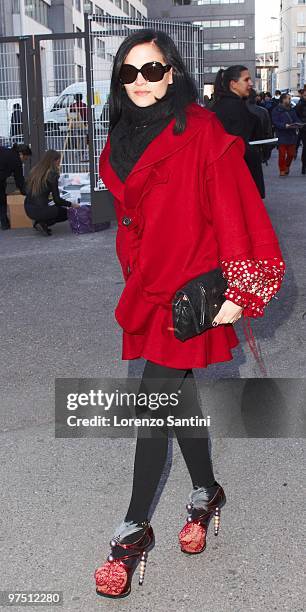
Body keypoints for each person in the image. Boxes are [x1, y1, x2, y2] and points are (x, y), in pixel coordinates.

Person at [94, 30, 286, 599]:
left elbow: (236, 209)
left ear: (173, 73)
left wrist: (240, 290)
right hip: (147, 287)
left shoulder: (202, 132)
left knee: (153, 401)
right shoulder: (120, 135)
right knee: (176, 400)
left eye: (152, 71)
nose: (142, 83)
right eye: (129, 73)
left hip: (190, 291)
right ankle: (207, 493)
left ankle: (131, 533)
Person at [212, 65, 266, 198]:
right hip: (238, 175)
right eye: (246, 80)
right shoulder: (236, 108)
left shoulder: (219, 105)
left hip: (223, 175)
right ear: (233, 84)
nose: (251, 83)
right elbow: (238, 146)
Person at [24, 149, 79, 236]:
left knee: (50, 206)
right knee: (65, 213)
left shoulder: (35, 171)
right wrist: (71, 205)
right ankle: (43, 222)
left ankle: (40, 222)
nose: (59, 163)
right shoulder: (52, 174)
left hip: (28, 208)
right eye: (58, 161)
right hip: (41, 210)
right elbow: (57, 200)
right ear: (54, 161)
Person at [0, 143, 31, 230]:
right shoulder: (16, 160)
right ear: (21, 154)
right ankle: (4, 223)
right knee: (2, 202)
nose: (25, 160)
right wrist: (27, 193)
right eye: (25, 158)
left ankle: (4, 223)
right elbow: (19, 180)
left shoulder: (6, 150)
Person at [272, 93, 300, 177]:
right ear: (283, 99)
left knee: (291, 154)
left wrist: (299, 124)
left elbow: (296, 119)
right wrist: (284, 125)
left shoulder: (292, 110)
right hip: (282, 135)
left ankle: (287, 166)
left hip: (291, 135)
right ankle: (282, 169)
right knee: (282, 154)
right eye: (288, 99)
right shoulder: (276, 110)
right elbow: (275, 122)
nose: (290, 100)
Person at [246, 88, 273, 163]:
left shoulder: (237, 110)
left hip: (241, 146)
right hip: (258, 145)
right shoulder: (262, 111)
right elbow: (268, 132)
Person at [295, 89, 306, 173]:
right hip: (303, 129)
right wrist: (301, 123)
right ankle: (304, 166)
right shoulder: (299, 105)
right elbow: (296, 117)